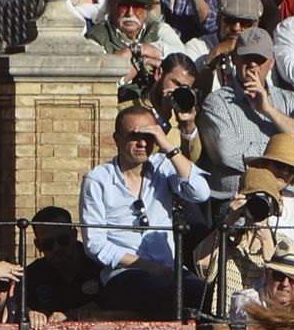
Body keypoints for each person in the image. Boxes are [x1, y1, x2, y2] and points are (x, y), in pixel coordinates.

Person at [82, 102, 211, 316]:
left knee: (212, 297)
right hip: (125, 273)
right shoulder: (97, 180)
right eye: (135, 136)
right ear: (117, 139)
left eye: (149, 136)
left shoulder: (163, 166)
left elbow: (200, 193)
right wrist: (148, 266)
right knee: (165, 294)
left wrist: (168, 146)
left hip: (171, 271)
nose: (143, 142)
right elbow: (95, 244)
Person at [199, 27, 294, 199]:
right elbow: (227, 153)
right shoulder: (217, 102)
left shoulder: (292, 101)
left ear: (271, 62)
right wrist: (285, 156)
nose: (253, 64)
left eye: (259, 59)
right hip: (239, 199)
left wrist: (269, 110)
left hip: (288, 199)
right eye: (247, 57)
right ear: (234, 59)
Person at [192, 164, 283, 303]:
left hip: (263, 314)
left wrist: (266, 241)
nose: (258, 207)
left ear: (274, 208)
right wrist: (229, 220)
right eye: (252, 201)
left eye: (264, 201)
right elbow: (203, 264)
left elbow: (280, 282)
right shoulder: (227, 237)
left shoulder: (282, 243)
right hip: (227, 314)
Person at [87, 0, 184, 89]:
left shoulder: (158, 29)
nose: (130, 13)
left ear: (147, 9)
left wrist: (139, 50)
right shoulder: (97, 37)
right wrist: (139, 64)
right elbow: (99, 83)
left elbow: (182, 55)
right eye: (123, 6)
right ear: (111, 6)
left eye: (138, 6)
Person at [24, 206, 103, 317]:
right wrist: (31, 314)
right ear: (38, 246)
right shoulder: (32, 275)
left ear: (74, 235)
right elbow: (19, 309)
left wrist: (77, 314)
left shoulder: (99, 265)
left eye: (63, 240)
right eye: (48, 244)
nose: (57, 248)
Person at [129, 51, 203, 160]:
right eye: (176, 83)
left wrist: (188, 128)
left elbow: (192, 163)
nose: (179, 91)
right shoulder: (130, 110)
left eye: (185, 88)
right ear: (159, 74)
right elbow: (138, 158)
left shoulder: (181, 116)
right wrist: (163, 119)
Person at [243, 131, 294, 240]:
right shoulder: (247, 193)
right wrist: (232, 218)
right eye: (279, 165)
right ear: (263, 165)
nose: (285, 172)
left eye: (292, 169)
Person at [193, 0, 260, 96]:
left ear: (255, 26)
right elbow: (195, 97)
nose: (236, 28)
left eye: (245, 23)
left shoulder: (261, 53)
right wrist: (213, 57)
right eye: (230, 20)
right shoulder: (197, 47)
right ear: (218, 19)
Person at [228, 236, 294, 317]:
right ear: (267, 274)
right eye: (279, 275)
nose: (285, 284)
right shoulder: (247, 302)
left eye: (293, 278)